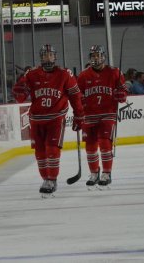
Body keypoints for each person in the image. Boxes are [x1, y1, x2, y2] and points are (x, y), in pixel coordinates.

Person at [12, 44, 84, 198]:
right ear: (41, 57)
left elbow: (76, 96)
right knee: (40, 153)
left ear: (55, 56)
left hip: (56, 118)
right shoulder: (32, 74)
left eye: (50, 55)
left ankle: (52, 179)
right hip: (36, 119)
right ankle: (46, 179)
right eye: (45, 55)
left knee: (52, 149)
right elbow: (19, 97)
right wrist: (21, 82)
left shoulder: (65, 74)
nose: (48, 58)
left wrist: (79, 115)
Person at [77, 45, 127, 189]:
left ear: (103, 56)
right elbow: (77, 94)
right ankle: (94, 172)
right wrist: (79, 105)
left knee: (105, 144)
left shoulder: (115, 72)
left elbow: (123, 91)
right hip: (89, 115)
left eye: (98, 55)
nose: (96, 58)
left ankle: (106, 173)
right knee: (90, 147)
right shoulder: (83, 75)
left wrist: (121, 95)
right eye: (93, 56)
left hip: (107, 114)